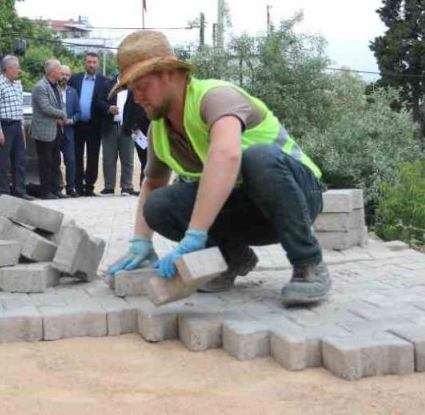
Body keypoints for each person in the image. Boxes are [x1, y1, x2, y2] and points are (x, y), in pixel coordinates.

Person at [105, 31, 331, 306]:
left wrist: (194, 236)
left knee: (256, 157)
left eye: (141, 85)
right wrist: (141, 242)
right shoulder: (159, 131)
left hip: (298, 197)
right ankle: (231, 259)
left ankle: (309, 264)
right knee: (159, 205)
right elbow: (152, 184)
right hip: (249, 211)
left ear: (168, 73)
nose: (136, 97)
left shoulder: (216, 97)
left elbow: (226, 154)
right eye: (131, 89)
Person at [67, 52, 116, 196]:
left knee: (93, 157)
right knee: (77, 156)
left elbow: (107, 102)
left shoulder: (104, 82)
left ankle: (89, 187)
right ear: (85, 63)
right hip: (77, 124)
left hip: (95, 125)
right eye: (89, 61)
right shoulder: (75, 79)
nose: (91, 64)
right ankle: (77, 187)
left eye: (94, 62)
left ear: (98, 64)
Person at [0, 55, 30, 199]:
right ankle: (4, 192)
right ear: (8, 68)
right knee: (3, 161)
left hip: (17, 124)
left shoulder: (18, 84)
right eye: (16, 67)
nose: (19, 70)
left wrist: (22, 127)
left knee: (20, 159)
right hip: (4, 125)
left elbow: (19, 108)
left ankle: (20, 191)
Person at [30, 59, 67, 200]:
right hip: (44, 132)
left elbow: (61, 104)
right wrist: (62, 115)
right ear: (52, 71)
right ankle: (46, 192)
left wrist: (61, 114)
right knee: (46, 162)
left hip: (56, 130)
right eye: (59, 69)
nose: (61, 72)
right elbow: (45, 108)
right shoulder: (40, 87)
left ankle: (56, 189)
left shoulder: (56, 86)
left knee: (56, 161)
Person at [59, 65, 80, 197]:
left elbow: (78, 112)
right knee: (54, 161)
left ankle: (70, 188)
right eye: (62, 74)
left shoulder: (73, 92)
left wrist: (71, 120)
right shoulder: (52, 90)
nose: (64, 77)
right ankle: (56, 187)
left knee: (71, 160)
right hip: (54, 130)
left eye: (67, 75)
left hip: (69, 131)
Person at [122, 94, 150, 186]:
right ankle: (144, 185)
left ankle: (146, 185)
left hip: (152, 127)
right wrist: (131, 127)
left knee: (148, 159)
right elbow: (128, 109)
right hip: (139, 131)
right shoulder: (135, 91)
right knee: (144, 159)